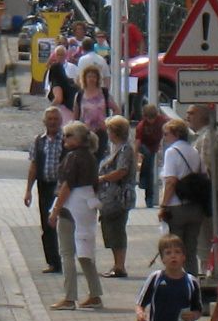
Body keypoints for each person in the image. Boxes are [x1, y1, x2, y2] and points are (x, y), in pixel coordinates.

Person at [47, 120, 103, 310]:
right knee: (85, 249)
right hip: (88, 204)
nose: (65, 138)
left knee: (67, 252)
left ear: (79, 138)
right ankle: (95, 294)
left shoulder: (73, 157)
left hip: (71, 205)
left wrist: (55, 211)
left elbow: (67, 185)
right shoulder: (91, 157)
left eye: (69, 135)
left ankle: (70, 297)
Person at [156, 116, 210, 276]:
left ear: (175, 134)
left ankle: (176, 281)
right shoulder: (193, 150)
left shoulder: (172, 152)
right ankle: (192, 283)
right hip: (195, 206)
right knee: (190, 249)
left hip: (177, 207)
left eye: (166, 134)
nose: (164, 138)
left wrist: (163, 206)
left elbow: (171, 181)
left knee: (174, 249)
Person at [23, 106, 66, 274]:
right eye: (50, 119)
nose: (53, 122)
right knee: (47, 225)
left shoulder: (65, 140)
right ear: (44, 121)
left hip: (62, 187)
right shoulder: (38, 140)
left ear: (61, 121)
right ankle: (53, 262)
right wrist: (28, 190)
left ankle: (66, 257)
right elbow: (33, 165)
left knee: (64, 224)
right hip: (44, 186)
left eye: (56, 119)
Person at [94, 114, 137, 277]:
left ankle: (120, 265)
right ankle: (116, 264)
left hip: (119, 195)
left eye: (109, 130)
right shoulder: (115, 148)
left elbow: (122, 170)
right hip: (109, 195)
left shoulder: (125, 149)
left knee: (117, 229)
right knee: (110, 228)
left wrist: (103, 178)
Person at [135, 102, 167, 207]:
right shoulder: (141, 126)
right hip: (144, 146)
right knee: (148, 156)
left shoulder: (161, 120)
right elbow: (138, 143)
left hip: (154, 148)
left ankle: (148, 194)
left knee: (150, 172)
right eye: (149, 118)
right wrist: (135, 157)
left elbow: (171, 123)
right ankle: (143, 181)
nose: (152, 121)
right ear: (145, 117)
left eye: (153, 118)